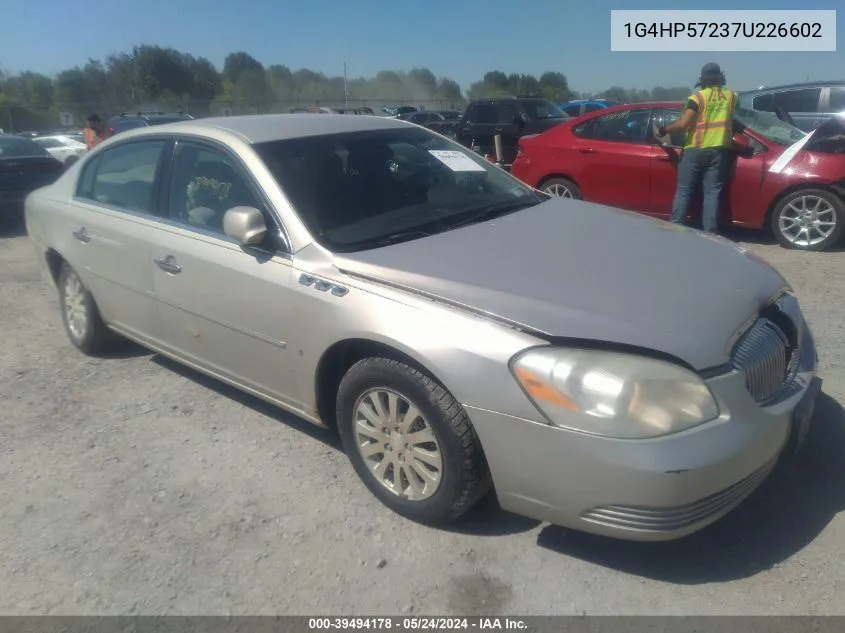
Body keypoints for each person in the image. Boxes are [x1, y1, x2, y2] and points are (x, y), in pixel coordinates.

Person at [656, 63, 738, 234]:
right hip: (719, 151)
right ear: (720, 77)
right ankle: (711, 233)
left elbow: (683, 124)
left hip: (695, 149)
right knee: (712, 194)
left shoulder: (697, 98)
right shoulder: (732, 96)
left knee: (684, 191)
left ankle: (676, 228)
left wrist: (663, 130)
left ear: (702, 80)